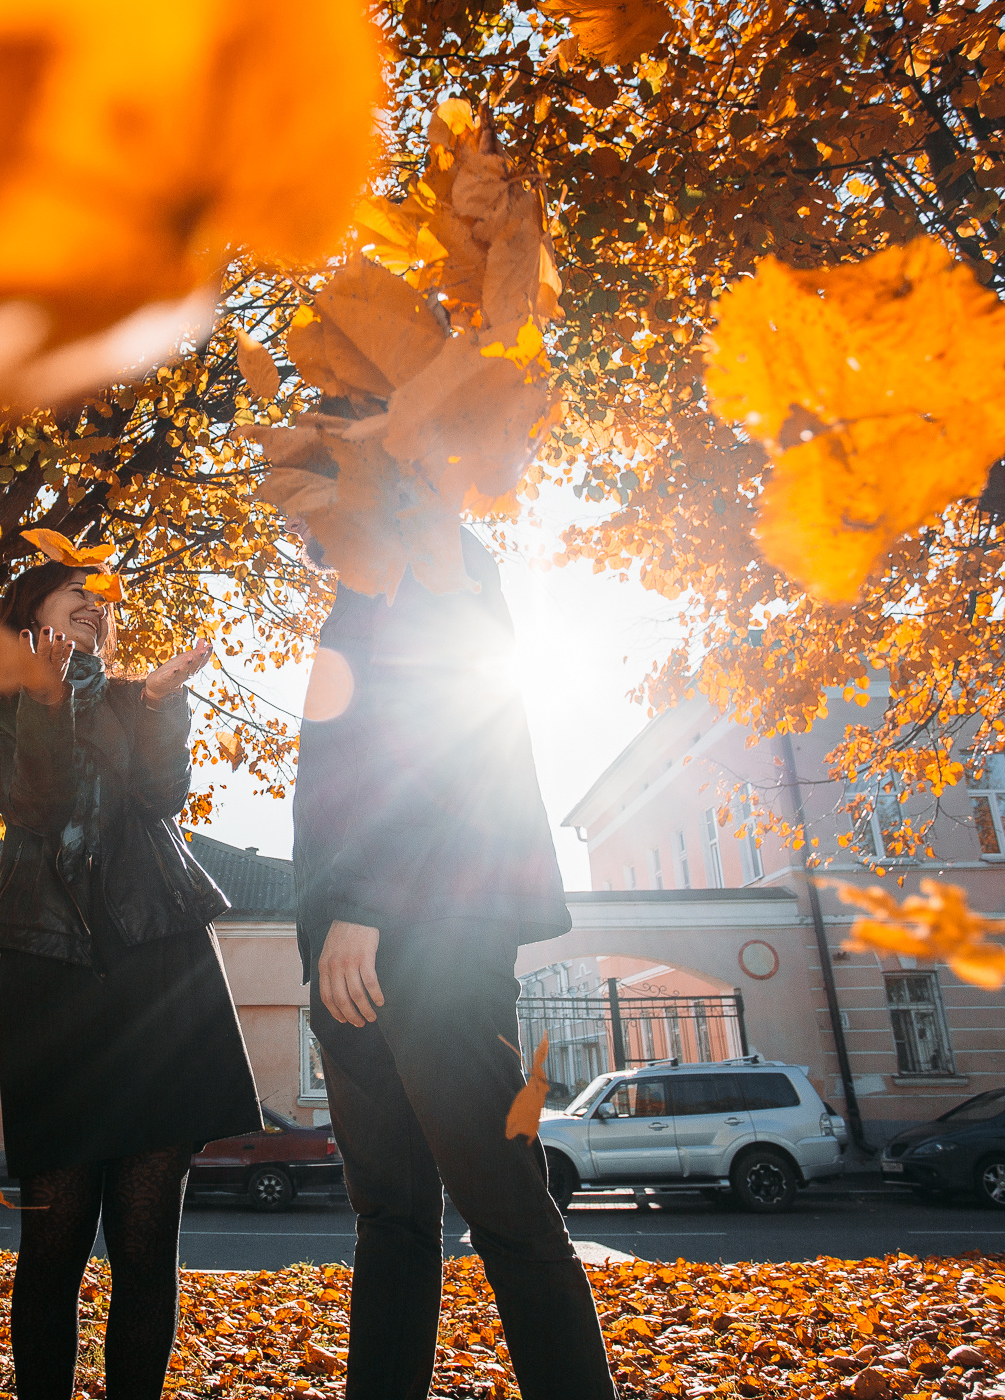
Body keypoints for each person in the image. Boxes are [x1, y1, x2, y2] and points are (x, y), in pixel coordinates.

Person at [291, 523, 617, 1400]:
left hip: (425, 931)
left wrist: (366, 903)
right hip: (352, 947)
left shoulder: (421, 550)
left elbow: (443, 729)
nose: (290, 520)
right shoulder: (364, 580)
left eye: (300, 491)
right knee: (391, 1219)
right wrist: (335, 922)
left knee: (502, 1204)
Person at [0, 560, 261, 1400]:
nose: (95, 610)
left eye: (102, 603)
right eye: (76, 597)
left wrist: (163, 705)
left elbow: (165, 795)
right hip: (52, 975)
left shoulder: (135, 699)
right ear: (32, 612)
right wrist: (47, 699)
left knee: (144, 1236)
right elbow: (36, 803)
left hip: (157, 970)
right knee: (51, 1242)